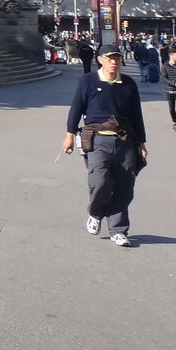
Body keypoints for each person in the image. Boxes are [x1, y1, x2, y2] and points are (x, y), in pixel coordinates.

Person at [61, 45, 147, 248]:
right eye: (109, 58)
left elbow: (137, 114)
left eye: (117, 58)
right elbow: (76, 108)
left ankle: (118, 230)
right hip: (98, 139)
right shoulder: (88, 81)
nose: (114, 62)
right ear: (100, 59)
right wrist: (69, 136)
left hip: (125, 140)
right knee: (99, 181)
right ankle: (96, 213)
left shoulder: (128, 83)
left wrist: (142, 142)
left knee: (125, 186)